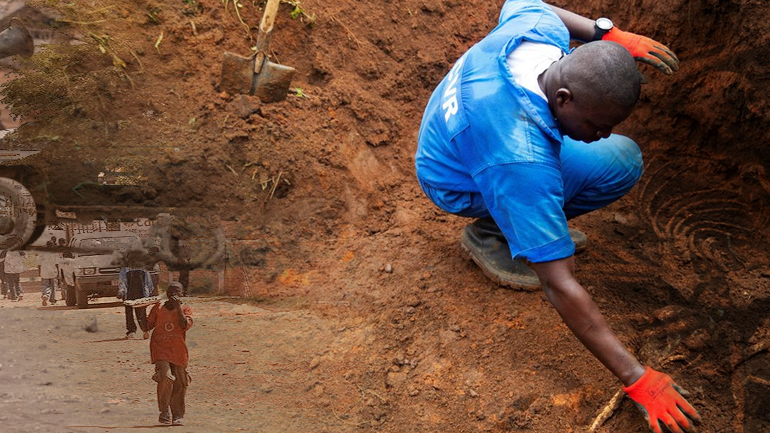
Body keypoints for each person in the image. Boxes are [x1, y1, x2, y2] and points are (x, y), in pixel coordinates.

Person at [415, 1, 699, 433]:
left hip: (465, 130)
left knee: (620, 156)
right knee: (575, 183)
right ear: (563, 98)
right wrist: (636, 378)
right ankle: (494, 235)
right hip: (453, 176)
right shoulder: (521, 159)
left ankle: (519, 220)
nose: (602, 134)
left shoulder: (538, 32)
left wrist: (607, 34)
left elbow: (523, 2)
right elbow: (559, 284)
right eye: (597, 125)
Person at [147, 282, 193, 426]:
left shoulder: (185, 308)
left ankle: (177, 415)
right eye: (170, 292)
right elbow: (146, 326)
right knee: (165, 377)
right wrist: (139, 311)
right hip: (160, 348)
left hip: (178, 351)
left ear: (181, 294)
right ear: (166, 294)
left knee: (180, 383)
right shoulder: (158, 307)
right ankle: (164, 411)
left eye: (177, 292)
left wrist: (178, 307)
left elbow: (184, 325)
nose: (173, 294)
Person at [117, 252, 154, 339]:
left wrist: (147, 294)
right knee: (133, 314)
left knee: (139, 314)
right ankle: (135, 331)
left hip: (138, 295)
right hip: (131, 296)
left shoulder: (143, 270)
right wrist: (121, 292)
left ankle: (142, 330)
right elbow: (123, 283)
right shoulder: (126, 270)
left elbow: (148, 283)